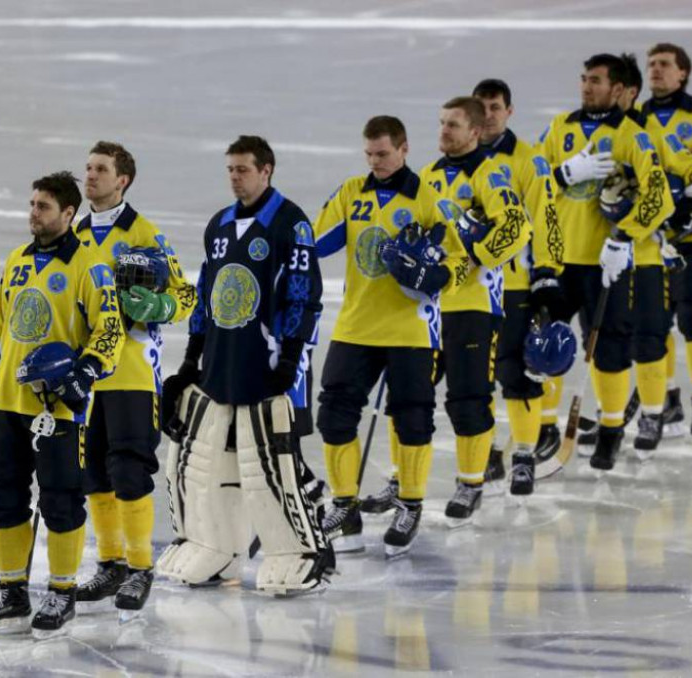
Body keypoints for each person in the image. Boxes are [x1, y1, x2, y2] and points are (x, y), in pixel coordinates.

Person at [158, 135, 333, 594]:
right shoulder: (219, 225)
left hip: (268, 365)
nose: (235, 178)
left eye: (243, 169)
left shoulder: (290, 224)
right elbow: (207, 295)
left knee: (269, 464)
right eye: (230, 170)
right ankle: (217, 546)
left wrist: (291, 359)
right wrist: (192, 358)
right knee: (210, 460)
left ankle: (302, 550)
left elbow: (303, 294)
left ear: (266, 170)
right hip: (221, 362)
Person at [0, 170, 124, 638]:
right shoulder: (17, 258)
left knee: (60, 500)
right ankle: (12, 589)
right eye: (32, 204)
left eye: (44, 207)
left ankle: (62, 589)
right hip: (7, 403)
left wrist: (86, 371)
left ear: (69, 213)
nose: (33, 213)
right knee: (2, 496)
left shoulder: (89, 267)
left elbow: (109, 330)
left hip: (57, 408)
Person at [314, 116, 466, 556]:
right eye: (369, 155)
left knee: (413, 417)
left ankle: (411, 504)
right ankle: (345, 506)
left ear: (403, 149)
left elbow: (460, 261)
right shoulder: (351, 193)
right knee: (334, 416)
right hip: (356, 325)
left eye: (382, 154)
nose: (375, 163)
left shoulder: (430, 201)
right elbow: (319, 242)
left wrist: (435, 274)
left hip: (410, 330)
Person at [73, 142, 197, 614]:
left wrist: (161, 305)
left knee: (128, 467)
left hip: (131, 371)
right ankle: (110, 563)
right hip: (86, 375)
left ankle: (140, 566)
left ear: (122, 180)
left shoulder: (144, 233)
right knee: (93, 474)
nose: (90, 176)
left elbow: (185, 295)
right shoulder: (75, 233)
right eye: (88, 168)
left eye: (100, 169)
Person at [539, 53, 673, 471]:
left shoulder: (634, 135)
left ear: (617, 89)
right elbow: (529, 183)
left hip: (605, 263)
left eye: (595, 80)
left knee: (609, 348)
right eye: (583, 79)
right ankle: (544, 427)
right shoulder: (560, 127)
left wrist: (622, 237)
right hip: (559, 261)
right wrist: (562, 175)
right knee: (543, 345)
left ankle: (612, 429)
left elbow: (659, 198)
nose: (586, 86)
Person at [420, 96, 531, 522]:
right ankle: (400, 483)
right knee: (411, 396)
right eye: (441, 123)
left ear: (475, 131)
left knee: (468, 400)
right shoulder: (427, 175)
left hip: (473, 305)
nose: (444, 131)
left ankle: (471, 484)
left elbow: (518, 227)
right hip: (427, 308)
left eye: (453, 125)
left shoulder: (491, 173)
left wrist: (476, 257)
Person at [471, 79, 565, 494]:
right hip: (470, 287)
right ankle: (489, 452)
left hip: (514, 285)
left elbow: (546, 218)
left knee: (516, 372)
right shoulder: (459, 161)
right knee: (477, 374)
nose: (488, 115)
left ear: (509, 111)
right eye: (481, 107)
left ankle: (524, 454)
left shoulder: (529, 161)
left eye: (495, 107)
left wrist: (546, 273)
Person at [636, 44, 692, 446]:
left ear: (683, 73)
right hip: (653, 239)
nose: (655, 71)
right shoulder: (638, 119)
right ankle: (666, 398)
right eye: (651, 64)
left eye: (664, 65)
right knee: (655, 324)